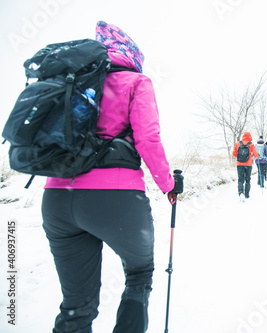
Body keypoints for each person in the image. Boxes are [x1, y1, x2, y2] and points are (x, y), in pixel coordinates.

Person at [41, 21, 181, 333]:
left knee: (77, 304)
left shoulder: (70, 81)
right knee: (139, 273)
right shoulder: (136, 82)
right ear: (130, 53)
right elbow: (148, 140)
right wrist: (168, 185)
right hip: (116, 199)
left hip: (57, 201)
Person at [232, 132, 259, 201]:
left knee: (240, 179)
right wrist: (257, 156)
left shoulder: (238, 143)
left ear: (243, 136)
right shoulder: (251, 145)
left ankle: (241, 193)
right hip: (248, 165)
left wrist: (240, 157)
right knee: (247, 179)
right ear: (250, 137)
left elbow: (234, 153)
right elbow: (255, 155)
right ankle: (247, 194)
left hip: (239, 164)